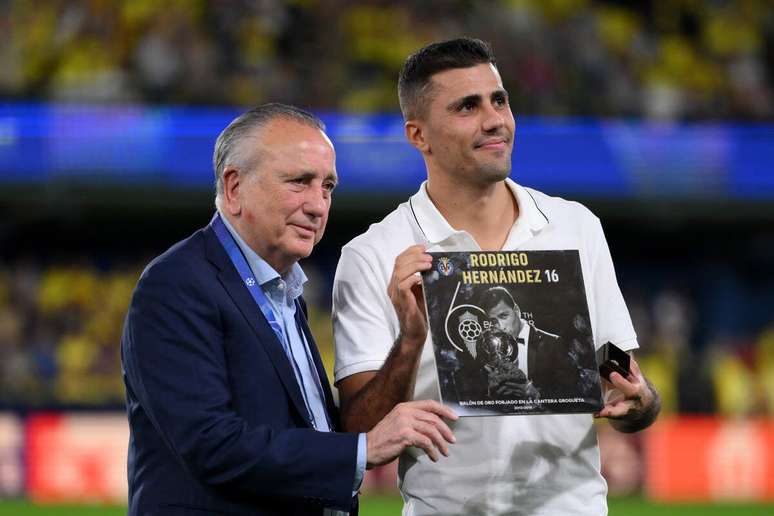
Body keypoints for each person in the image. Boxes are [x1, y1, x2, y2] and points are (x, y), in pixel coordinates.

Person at [332, 39, 661, 515]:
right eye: (468, 106)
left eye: (499, 100)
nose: (495, 120)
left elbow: (626, 387)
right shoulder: (373, 255)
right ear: (418, 135)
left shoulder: (575, 227)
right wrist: (410, 340)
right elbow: (358, 435)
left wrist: (639, 401)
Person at [120, 103, 457, 516]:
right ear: (234, 188)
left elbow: (303, 427)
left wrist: (409, 341)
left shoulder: (283, 291)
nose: (318, 205)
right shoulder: (176, 284)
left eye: (328, 187)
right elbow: (212, 445)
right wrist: (361, 449)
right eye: (299, 182)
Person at [478, 285, 580, 400]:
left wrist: (536, 394)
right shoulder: (490, 348)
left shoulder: (553, 344)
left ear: (516, 310)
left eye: (504, 316)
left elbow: (572, 391)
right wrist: (491, 393)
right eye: (493, 321)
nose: (500, 326)